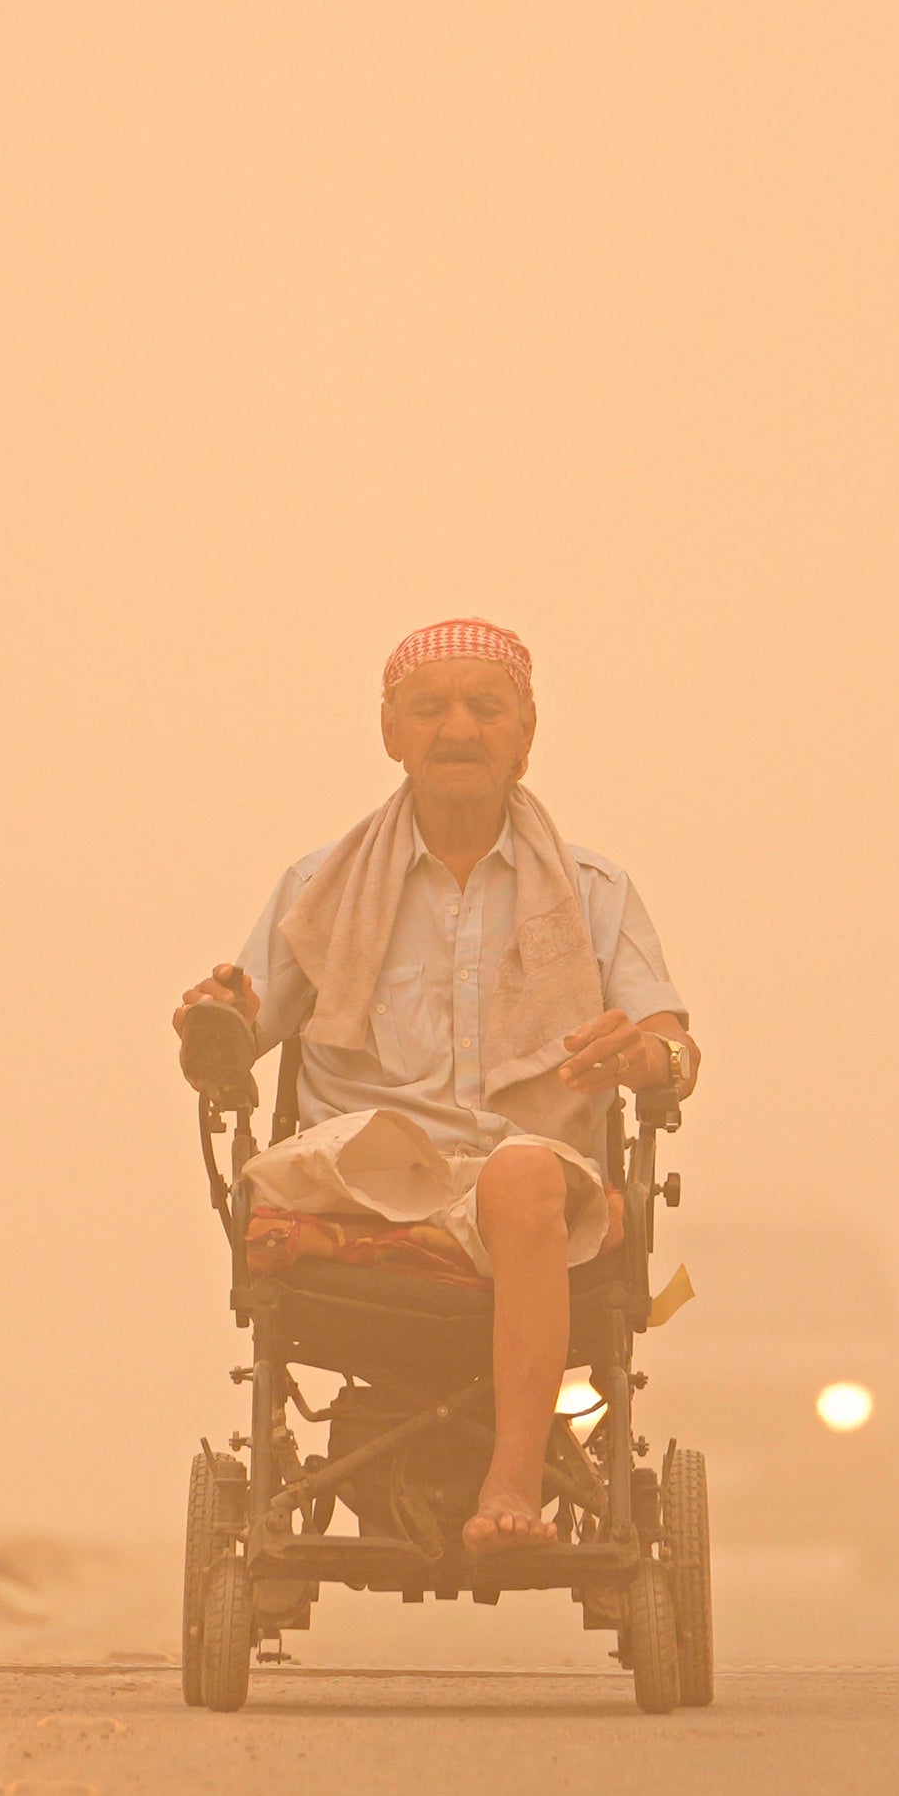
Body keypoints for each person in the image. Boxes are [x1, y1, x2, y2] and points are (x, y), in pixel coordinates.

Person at [171, 618, 698, 1556]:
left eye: (485, 709)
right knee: (388, 1146)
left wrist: (644, 1061)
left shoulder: (593, 892)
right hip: (366, 1175)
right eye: (431, 709)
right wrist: (214, 1021)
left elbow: (670, 1048)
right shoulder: (321, 886)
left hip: (529, 1198)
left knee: (520, 1175)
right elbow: (239, 1033)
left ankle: (512, 1484)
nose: (458, 729)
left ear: (525, 732)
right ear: (391, 733)